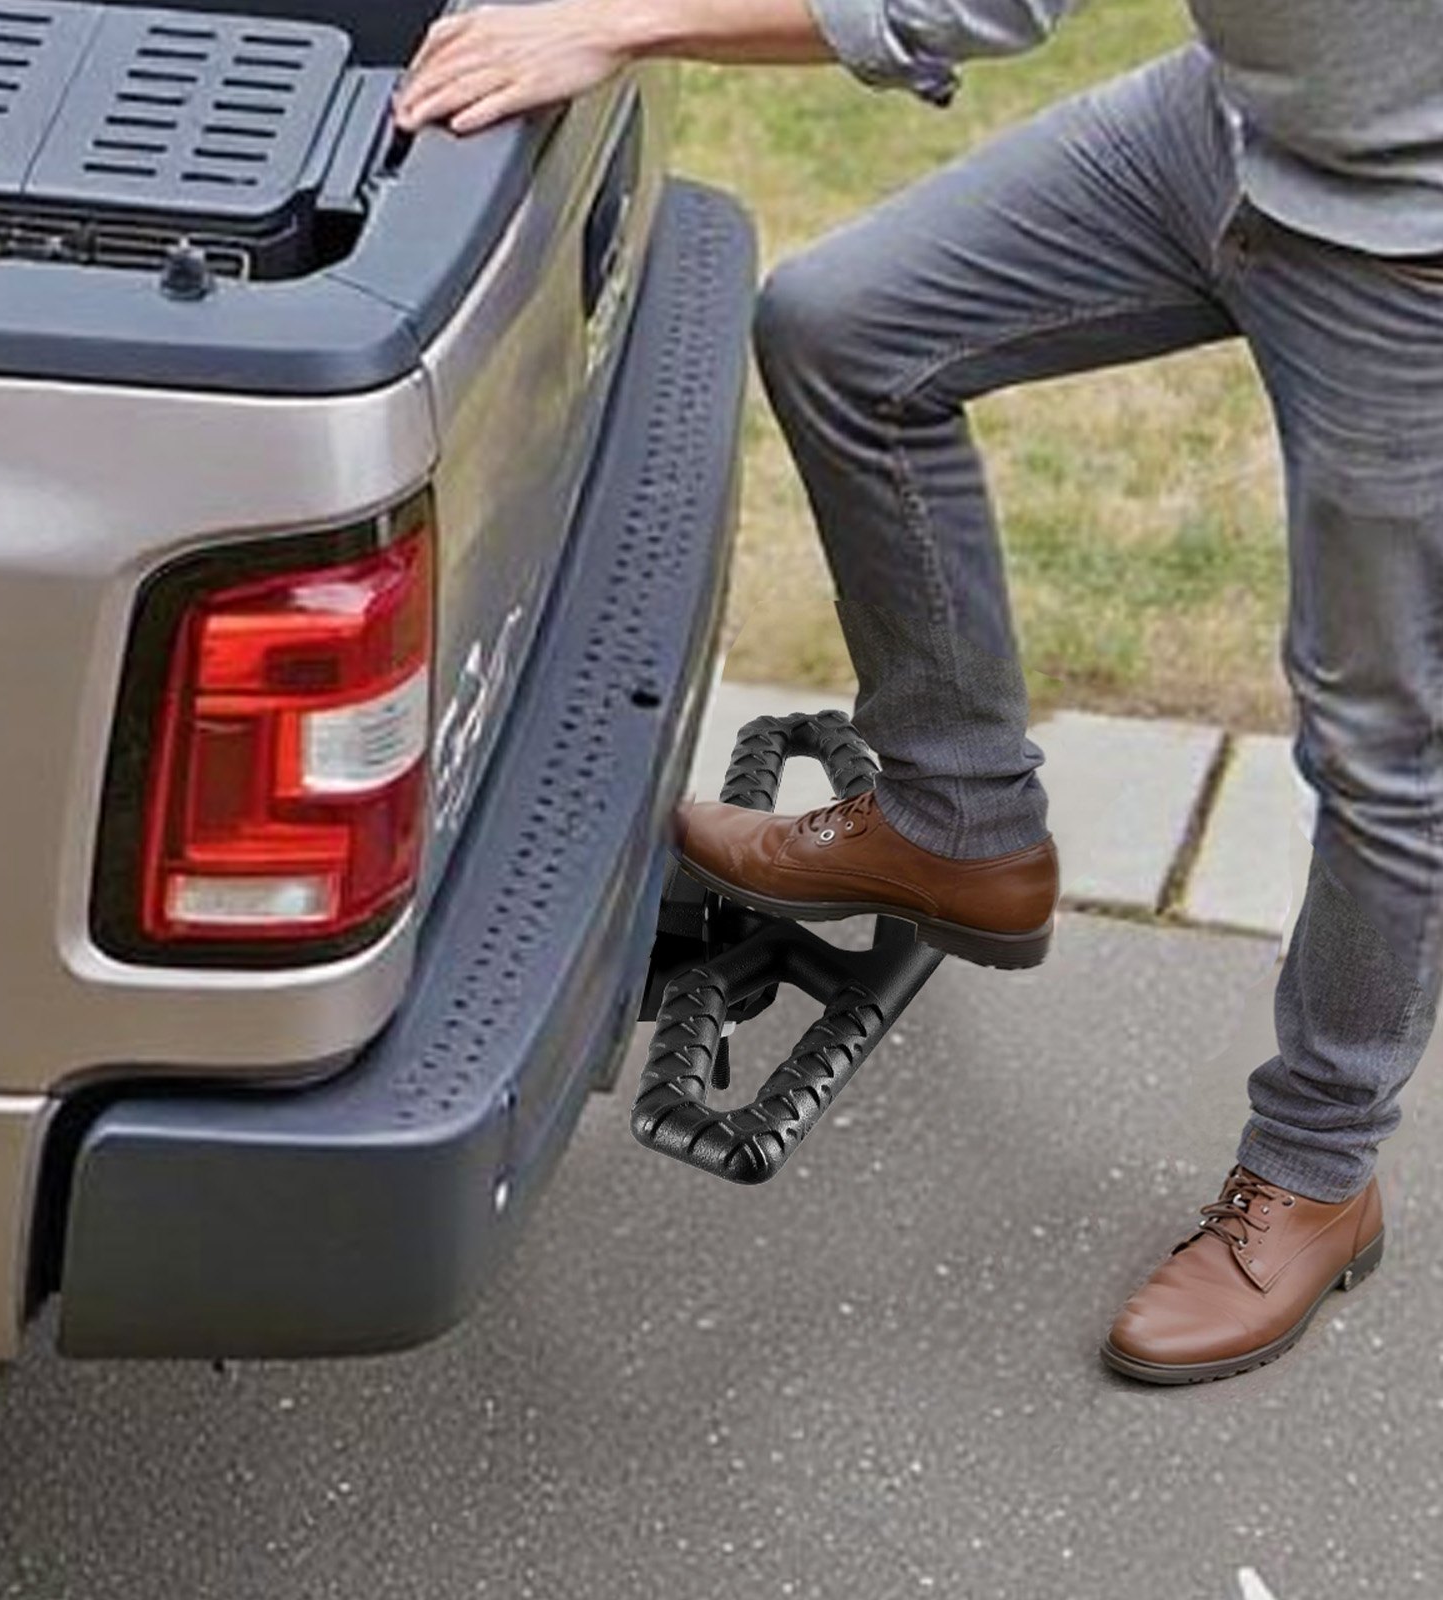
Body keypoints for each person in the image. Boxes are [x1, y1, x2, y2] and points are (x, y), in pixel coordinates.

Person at [392, 1, 1442, 1385]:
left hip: (1405, 247)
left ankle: (1317, 1169)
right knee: (848, 330)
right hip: (1236, 126)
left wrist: (625, 22)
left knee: (1380, 743)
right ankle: (959, 820)